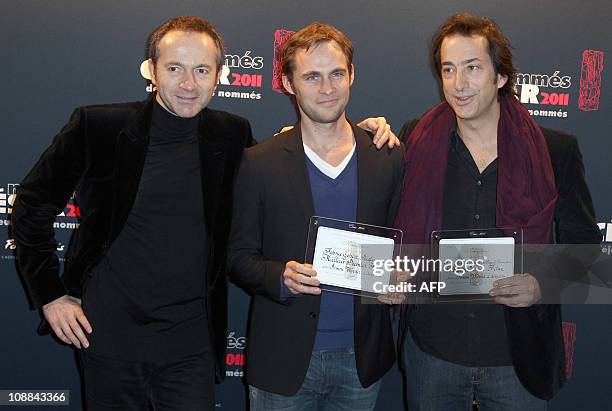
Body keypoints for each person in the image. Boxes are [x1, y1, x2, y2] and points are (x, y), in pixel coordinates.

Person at [10, 16, 397, 410]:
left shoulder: (232, 135)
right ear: (152, 70)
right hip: (106, 335)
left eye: (201, 70)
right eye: (175, 68)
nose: (189, 84)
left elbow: (288, 163)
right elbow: (31, 205)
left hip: (191, 344)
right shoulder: (99, 127)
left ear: (219, 76)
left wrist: (361, 132)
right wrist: (51, 294)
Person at [394, 13, 602, 410]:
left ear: (501, 76)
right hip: (431, 355)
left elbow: (588, 251)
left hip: (517, 359)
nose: (459, 84)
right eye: (449, 69)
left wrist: (543, 283)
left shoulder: (555, 150)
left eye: (473, 68)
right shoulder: (414, 137)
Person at [227, 22, 404, 410]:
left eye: (336, 74)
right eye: (311, 77)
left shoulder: (388, 157)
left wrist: (399, 280)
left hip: (361, 362)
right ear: (288, 84)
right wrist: (279, 276)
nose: (327, 89)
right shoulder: (259, 163)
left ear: (352, 75)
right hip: (283, 363)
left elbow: (403, 250)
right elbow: (238, 258)